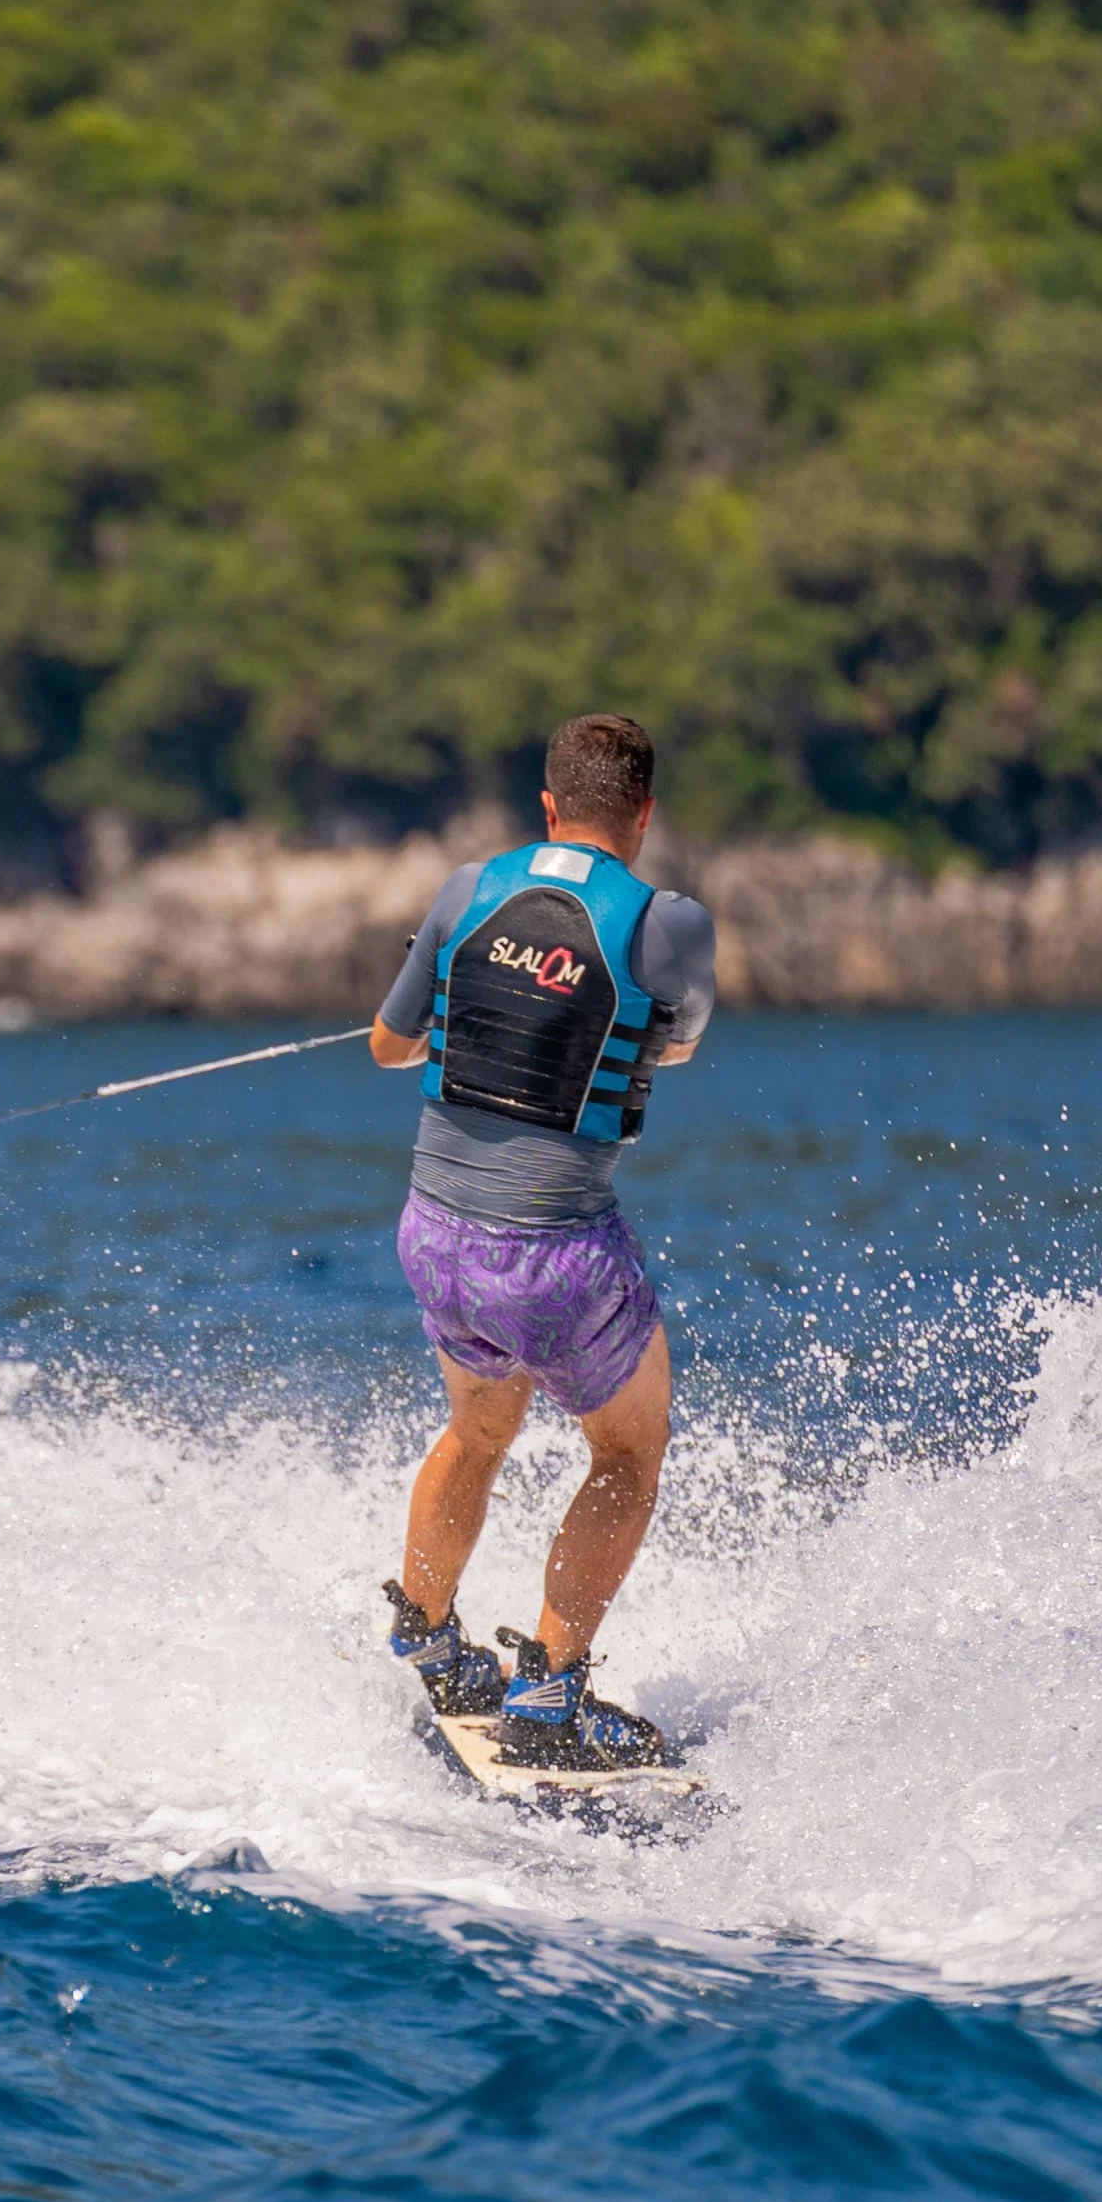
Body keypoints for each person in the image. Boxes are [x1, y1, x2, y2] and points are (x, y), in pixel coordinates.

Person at [365, 713, 711, 1767]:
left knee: (478, 1430)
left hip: (434, 1235)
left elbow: (389, 1044)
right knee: (627, 1453)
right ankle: (546, 1697)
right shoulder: (670, 922)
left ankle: (428, 1640)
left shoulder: (466, 888)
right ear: (642, 816)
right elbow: (681, 1043)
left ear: (548, 804)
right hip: (553, 1258)